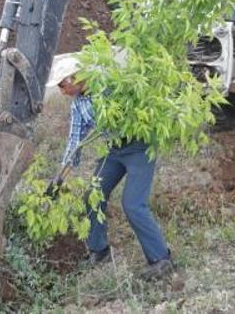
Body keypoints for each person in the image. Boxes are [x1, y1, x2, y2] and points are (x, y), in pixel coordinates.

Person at [45, 55, 173, 281]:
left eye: (63, 85)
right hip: (113, 151)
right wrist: (58, 180)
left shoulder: (110, 86)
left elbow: (140, 103)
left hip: (139, 147)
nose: (62, 91)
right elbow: (74, 144)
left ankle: (161, 259)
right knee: (93, 196)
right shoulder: (79, 104)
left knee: (133, 204)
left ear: (75, 77)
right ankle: (99, 251)